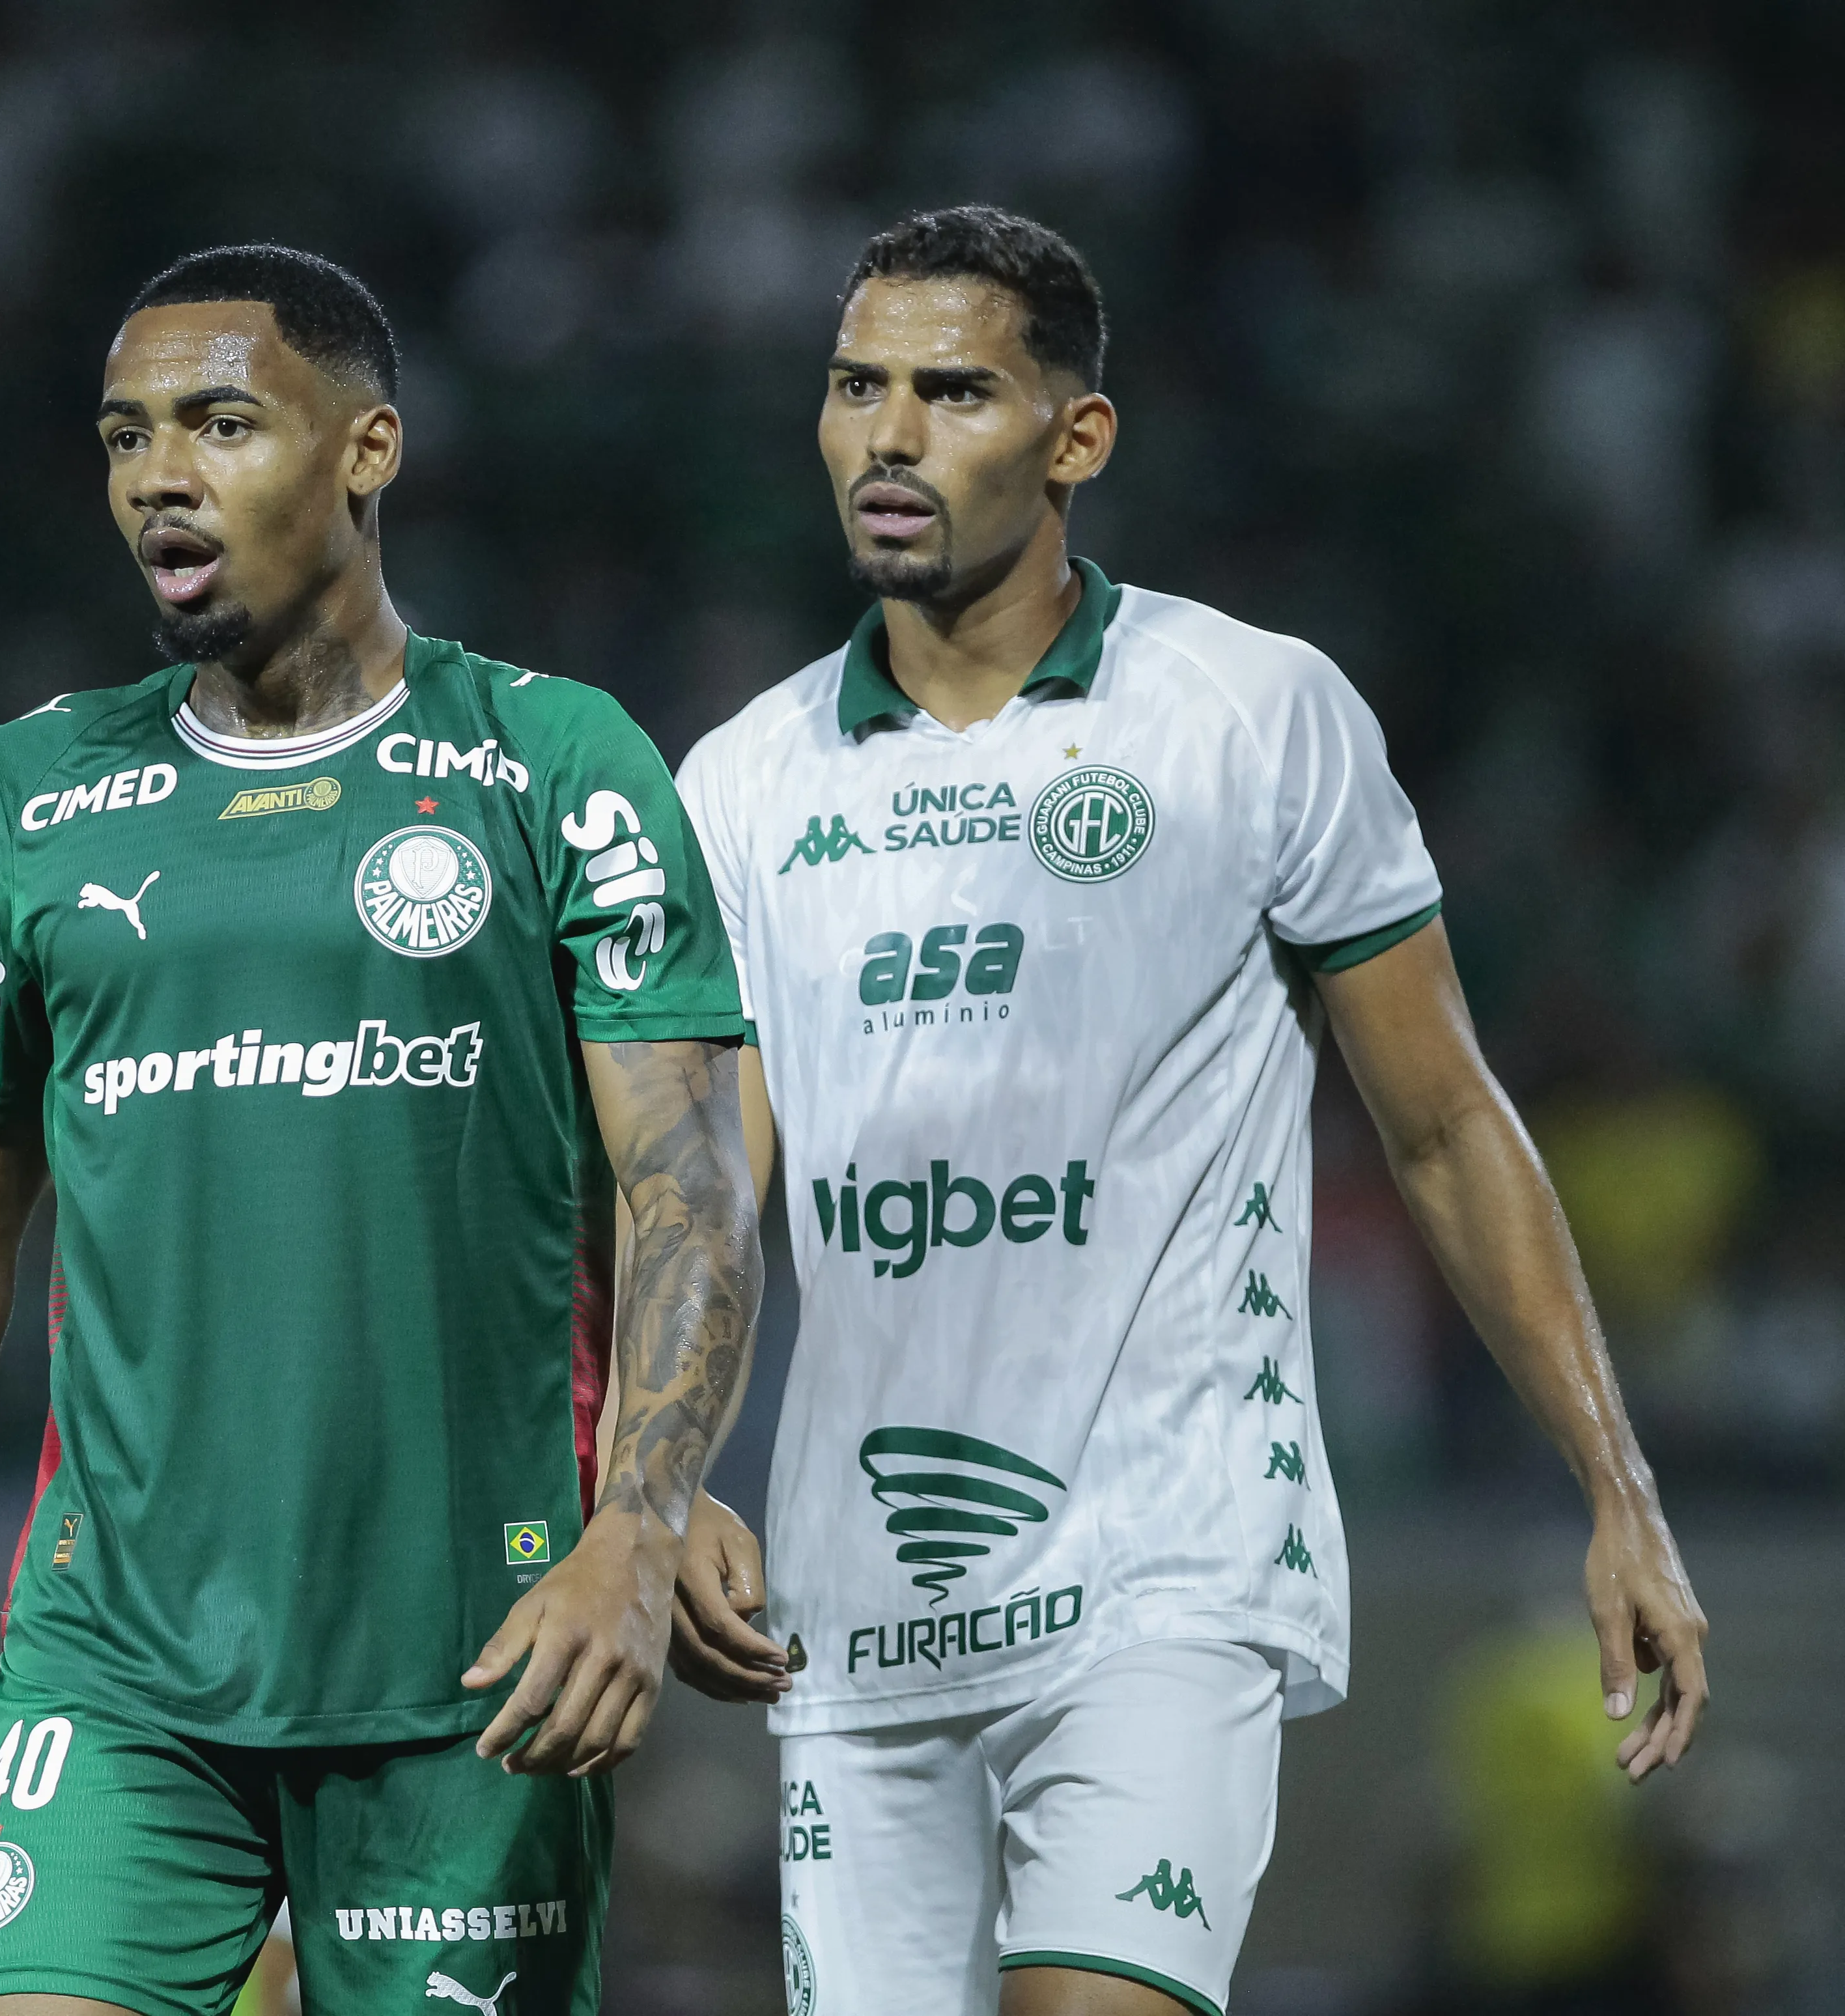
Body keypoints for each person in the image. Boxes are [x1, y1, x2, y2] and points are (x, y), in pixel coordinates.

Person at [0, 242, 763, 2016]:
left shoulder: (551, 764)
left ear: (365, 450)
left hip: (470, 1661)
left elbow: (686, 1186)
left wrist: (643, 1518)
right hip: (118, 1665)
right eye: (125, 433)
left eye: (221, 422)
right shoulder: (38, 791)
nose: (159, 470)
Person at [666, 206, 1710, 2016]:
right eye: (854, 389)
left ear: (1076, 438)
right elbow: (702, 1191)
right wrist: (654, 1478)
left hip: (1165, 1567)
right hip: (852, 1607)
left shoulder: (1249, 712)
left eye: (951, 392)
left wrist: (1614, 1490)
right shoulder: (742, 782)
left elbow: (1448, 1125)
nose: (887, 438)